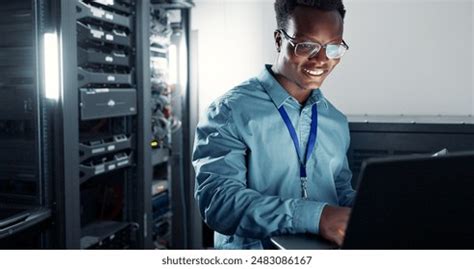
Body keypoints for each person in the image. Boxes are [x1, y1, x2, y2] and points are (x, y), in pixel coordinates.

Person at [192, 0, 355, 249]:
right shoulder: (229, 111)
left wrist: (375, 208)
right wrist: (316, 217)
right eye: (306, 46)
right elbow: (219, 203)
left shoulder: (336, 121)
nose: (321, 60)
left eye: (333, 48)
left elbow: (340, 191)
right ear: (279, 40)